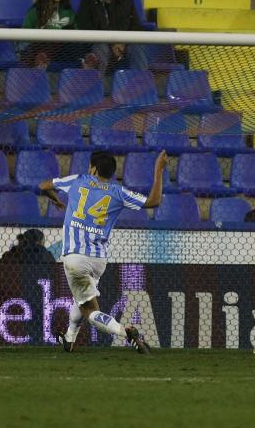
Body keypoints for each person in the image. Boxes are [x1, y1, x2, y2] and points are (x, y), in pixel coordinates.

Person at [39, 150, 167, 354]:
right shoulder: (118, 192)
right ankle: (69, 338)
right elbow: (154, 201)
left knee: (90, 310)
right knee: (81, 299)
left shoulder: (78, 180)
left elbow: (43, 186)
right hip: (99, 259)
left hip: (75, 257)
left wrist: (55, 199)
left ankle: (127, 333)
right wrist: (159, 169)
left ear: (94, 169)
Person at [76, 0, 147, 75]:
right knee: (101, 48)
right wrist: (112, 44)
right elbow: (86, 28)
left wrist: (123, 43)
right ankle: (94, 85)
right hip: (100, 44)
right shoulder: (86, 3)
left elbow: (136, 27)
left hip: (125, 44)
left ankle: (139, 85)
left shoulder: (127, 2)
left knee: (137, 48)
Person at [21, 0, 76, 68]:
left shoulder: (69, 13)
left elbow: (76, 33)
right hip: (38, 46)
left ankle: (87, 62)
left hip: (62, 51)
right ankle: (42, 60)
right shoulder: (36, 11)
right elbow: (25, 33)